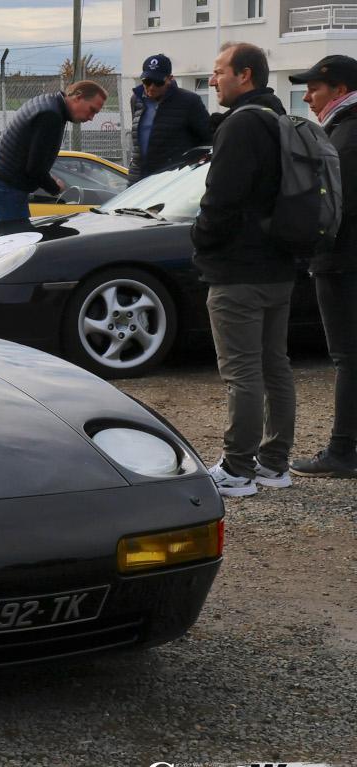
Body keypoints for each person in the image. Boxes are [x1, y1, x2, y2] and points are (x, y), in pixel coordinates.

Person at [191, 42, 298, 497]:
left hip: (239, 270)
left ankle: (237, 470)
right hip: (279, 267)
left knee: (242, 372)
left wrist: (202, 239)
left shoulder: (240, 126)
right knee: (275, 367)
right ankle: (275, 464)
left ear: (245, 75)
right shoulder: (281, 120)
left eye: (218, 73)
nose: (213, 81)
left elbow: (222, 198)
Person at [287, 56, 357, 478]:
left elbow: (334, 205)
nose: (308, 97)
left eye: (314, 88)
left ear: (339, 88)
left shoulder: (345, 135)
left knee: (348, 356)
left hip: (343, 260)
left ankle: (343, 450)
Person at [0, 81, 107, 224]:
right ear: (78, 97)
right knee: (17, 240)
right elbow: (34, 169)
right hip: (9, 186)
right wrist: (55, 187)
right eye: (92, 110)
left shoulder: (48, 103)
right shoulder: (51, 115)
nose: (91, 117)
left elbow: (32, 156)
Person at [128, 53, 212, 184]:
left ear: (170, 79)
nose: (151, 87)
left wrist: (188, 167)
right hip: (138, 182)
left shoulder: (189, 101)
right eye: (147, 81)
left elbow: (208, 139)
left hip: (171, 183)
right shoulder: (136, 100)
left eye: (158, 82)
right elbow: (138, 142)